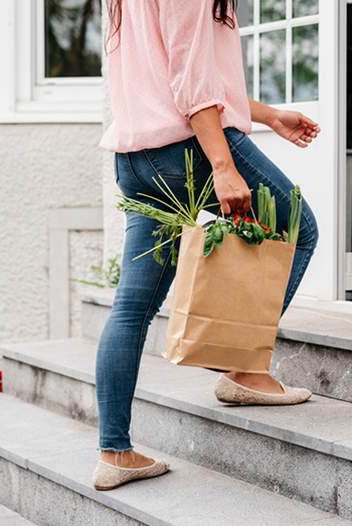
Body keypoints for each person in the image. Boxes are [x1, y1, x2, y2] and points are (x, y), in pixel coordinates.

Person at [92, 0, 320, 491]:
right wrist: (222, 164)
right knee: (297, 228)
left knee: (131, 308)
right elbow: (192, 83)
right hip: (188, 150)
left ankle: (114, 451)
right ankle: (242, 369)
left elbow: (177, 76)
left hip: (136, 159)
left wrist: (269, 115)